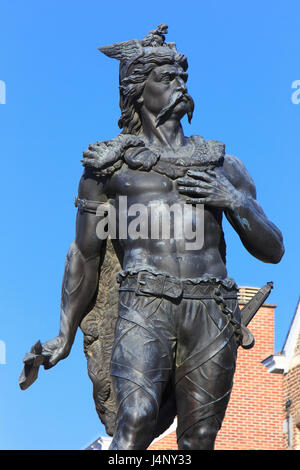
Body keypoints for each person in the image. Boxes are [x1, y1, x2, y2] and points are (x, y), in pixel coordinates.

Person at [21, 25, 284, 450]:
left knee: (199, 439)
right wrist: (64, 333)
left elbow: (274, 249)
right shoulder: (107, 169)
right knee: (136, 422)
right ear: (137, 90)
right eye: (166, 77)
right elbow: (84, 256)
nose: (180, 84)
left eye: (183, 76)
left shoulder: (224, 165)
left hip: (211, 309)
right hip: (146, 304)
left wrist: (234, 201)